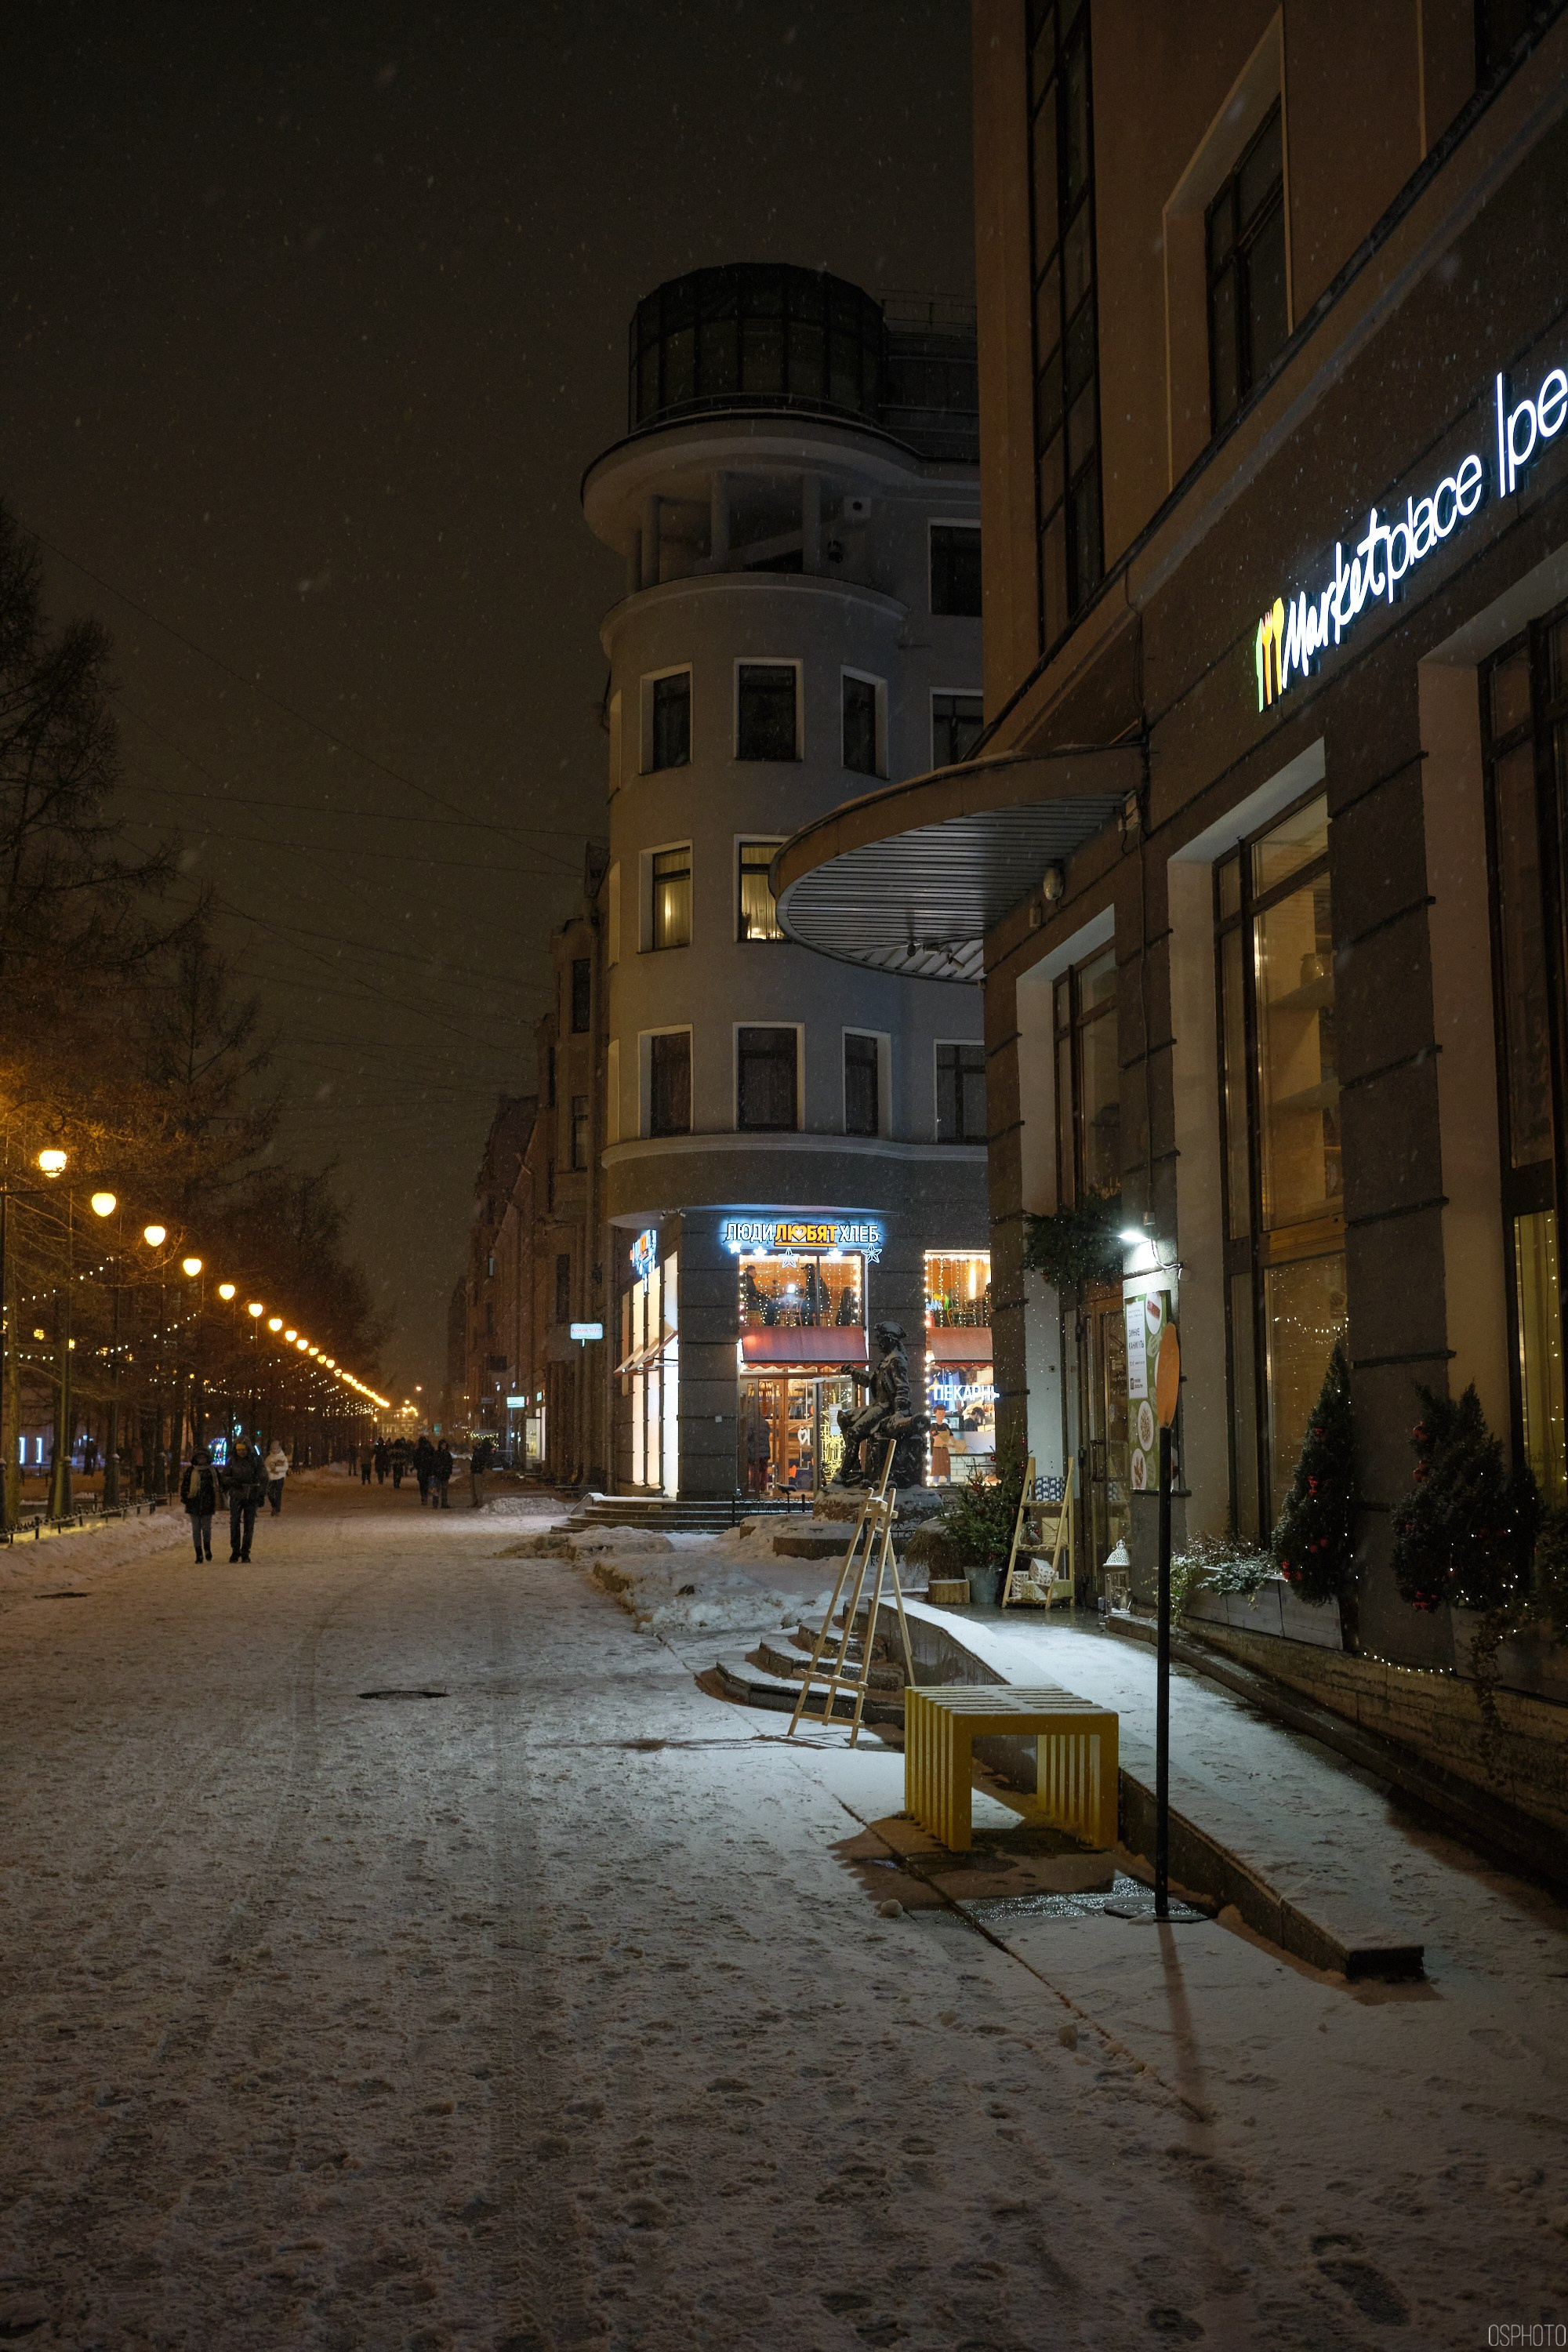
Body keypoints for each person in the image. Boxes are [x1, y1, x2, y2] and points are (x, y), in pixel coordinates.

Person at [222, 1435, 269, 1563]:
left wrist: (261, 1494)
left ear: (248, 1449)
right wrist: (232, 1482)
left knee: (249, 1525)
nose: (241, 1452)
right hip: (237, 1495)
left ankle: (245, 1552)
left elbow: (264, 1477)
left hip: (251, 1496)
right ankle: (235, 1551)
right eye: (239, 1450)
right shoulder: (232, 1461)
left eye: (243, 1449)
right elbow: (225, 1476)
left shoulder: (256, 1460)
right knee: (235, 1524)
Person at [180, 1444, 222, 1563]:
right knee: (196, 1530)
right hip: (193, 1504)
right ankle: (198, 1553)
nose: (201, 1460)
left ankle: (207, 1548)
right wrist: (186, 1497)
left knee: (206, 1529)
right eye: (200, 1458)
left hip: (208, 1504)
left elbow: (218, 1486)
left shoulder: (212, 1471)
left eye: (204, 1458)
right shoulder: (191, 1471)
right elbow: (185, 1486)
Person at [264, 1439, 289, 1516]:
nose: (274, 1450)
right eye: (273, 1449)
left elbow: (286, 1467)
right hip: (271, 1478)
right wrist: (270, 1469)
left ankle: (277, 1509)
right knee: (270, 1493)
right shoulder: (269, 1458)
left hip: (280, 1478)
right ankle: (274, 1506)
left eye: (276, 1449)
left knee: (278, 1494)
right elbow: (265, 1467)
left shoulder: (283, 1457)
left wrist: (277, 1469)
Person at [470, 1433, 494, 1509]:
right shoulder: (480, 1450)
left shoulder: (480, 1451)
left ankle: (478, 1502)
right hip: (476, 1470)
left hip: (477, 1470)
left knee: (477, 1487)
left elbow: (479, 1460)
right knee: (475, 1487)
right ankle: (476, 1502)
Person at [414, 1432, 434, 1507]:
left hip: (422, 1469)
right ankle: (425, 1496)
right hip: (427, 1469)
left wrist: (417, 1466)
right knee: (426, 1483)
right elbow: (433, 1459)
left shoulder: (419, 1450)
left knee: (422, 1484)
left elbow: (415, 1459)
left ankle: (423, 1497)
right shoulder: (429, 1449)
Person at [431, 1439, 453, 1509]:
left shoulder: (447, 1454)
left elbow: (450, 1464)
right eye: (443, 1445)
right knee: (436, 1490)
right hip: (438, 1474)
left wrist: (448, 1472)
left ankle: (444, 1503)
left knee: (444, 1490)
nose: (444, 1446)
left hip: (444, 1474)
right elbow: (434, 1464)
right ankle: (435, 1503)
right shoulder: (437, 1454)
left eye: (445, 1445)